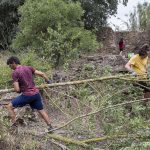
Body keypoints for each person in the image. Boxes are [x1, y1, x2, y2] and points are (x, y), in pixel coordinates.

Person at [6, 56, 53, 132]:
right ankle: (50, 127)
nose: (11, 67)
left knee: (9, 107)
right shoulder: (29, 68)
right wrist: (48, 81)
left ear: (14, 63)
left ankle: (14, 126)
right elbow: (42, 74)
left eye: (10, 65)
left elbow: (17, 90)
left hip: (27, 95)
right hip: (36, 94)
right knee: (41, 110)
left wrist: (17, 87)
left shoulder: (15, 73)